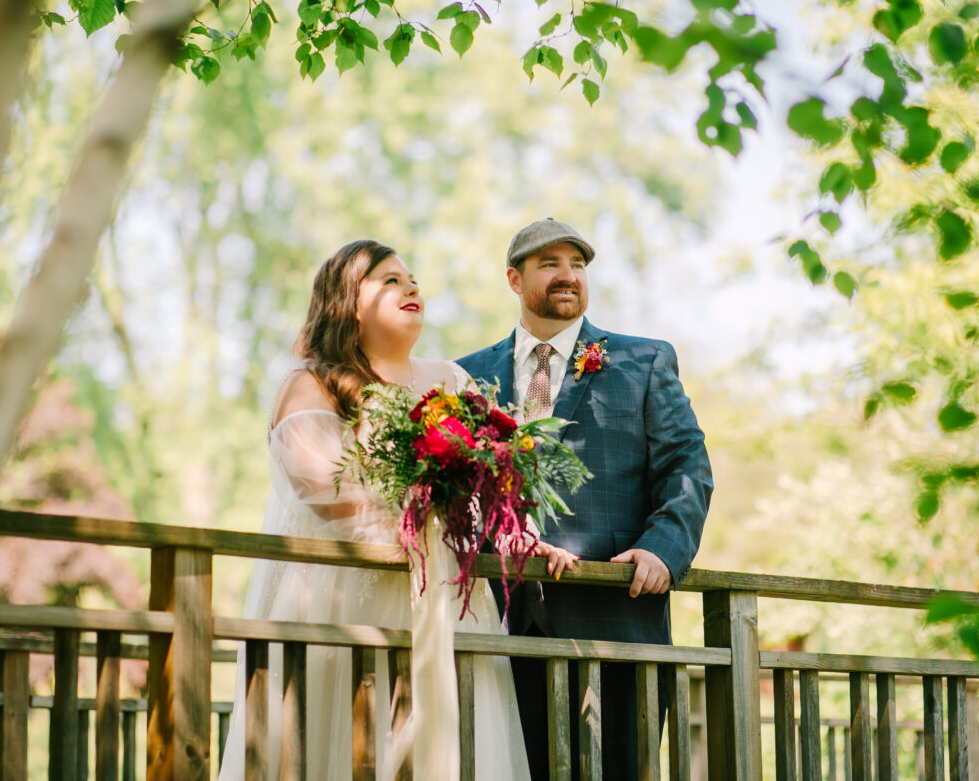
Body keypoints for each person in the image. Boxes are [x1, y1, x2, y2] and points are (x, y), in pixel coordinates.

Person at [219, 239, 571, 780]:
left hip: (448, 600)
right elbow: (325, 495)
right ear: (348, 303)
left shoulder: (452, 381)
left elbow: (489, 486)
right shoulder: (311, 386)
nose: (412, 287)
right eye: (390, 280)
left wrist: (514, 531)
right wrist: (427, 506)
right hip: (343, 606)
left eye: (413, 279)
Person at [456, 218, 713, 781]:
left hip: (616, 620)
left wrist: (663, 550)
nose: (568, 276)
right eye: (549, 264)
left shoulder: (643, 361)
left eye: (577, 265)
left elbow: (686, 466)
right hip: (500, 626)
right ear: (513, 279)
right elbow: (460, 493)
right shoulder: (468, 377)